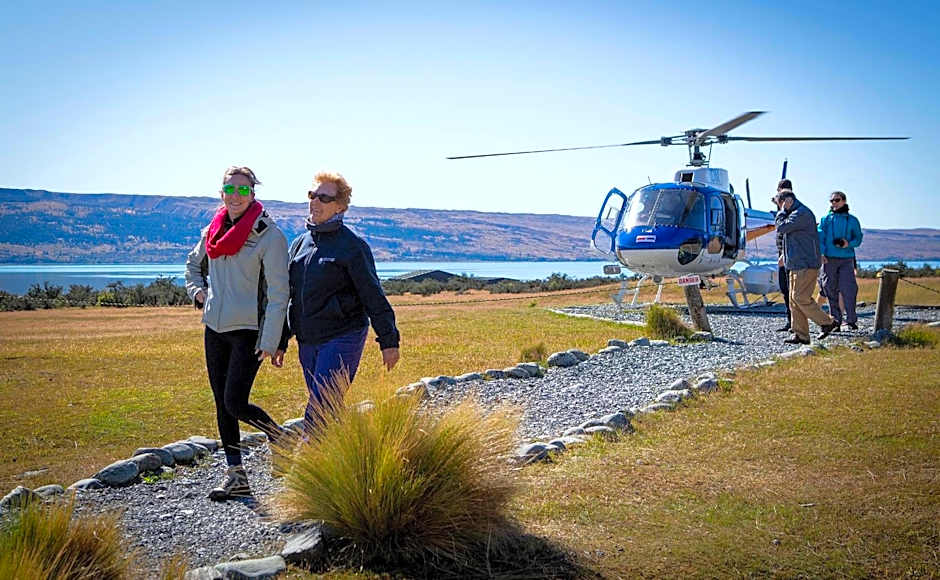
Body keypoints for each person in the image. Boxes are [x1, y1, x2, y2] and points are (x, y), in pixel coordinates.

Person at [185, 166, 289, 500]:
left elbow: (278, 294)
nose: (234, 195)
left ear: (253, 194)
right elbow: (192, 266)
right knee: (221, 403)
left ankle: (280, 437)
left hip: (249, 331)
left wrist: (272, 340)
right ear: (221, 193)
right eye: (229, 189)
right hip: (214, 327)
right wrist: (198, 293)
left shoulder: (269, 236)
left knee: (235, 401)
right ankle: (236, 475)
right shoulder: (212, 230)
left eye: (242, 190)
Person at [276, 171, 400, 433]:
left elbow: (373, 296)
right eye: (312, 195)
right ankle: (355, 454)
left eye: (324, 197)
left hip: (343, 336)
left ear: (341, 206)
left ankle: (301, 469)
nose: (315, 202)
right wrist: (281, 340)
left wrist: (389, 341)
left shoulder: (353, 247)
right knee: (328, 408)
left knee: (320, 408)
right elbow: (289, 297)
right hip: (308, 339)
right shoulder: (300, 244)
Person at [774, 187, 839, 345]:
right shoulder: (796, 214)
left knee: (800, 297)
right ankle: (801, 334)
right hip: (796, 263)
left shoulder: (800, 214)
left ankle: (828, 322)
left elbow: (782, 227)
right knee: (793, 300)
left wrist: (781, 212)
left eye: (780, 203)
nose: (779, 207)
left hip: (806, 263)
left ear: (788, 201)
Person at [818, 191, 863, 330]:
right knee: (829, 288)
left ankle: (851, 320)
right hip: (828, 259)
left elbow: (858, 238)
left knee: (848, 289)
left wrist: (848, 243)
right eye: (831, 201)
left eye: (837, 200)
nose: (834, 203)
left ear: (844, 201)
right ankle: (835, 320)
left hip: (846, 259)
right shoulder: (825, 219)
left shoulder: (852, 220)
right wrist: (821, 253)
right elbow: (820, 237)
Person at [772, 179, 793, 332]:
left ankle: (794, 322)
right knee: (786, 290)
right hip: (783, 254)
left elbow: (787, 231)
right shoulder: (783, 211)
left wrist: (784, 254)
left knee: (791, 290)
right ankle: (791, 321)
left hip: (788, 255)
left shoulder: (790, 211)